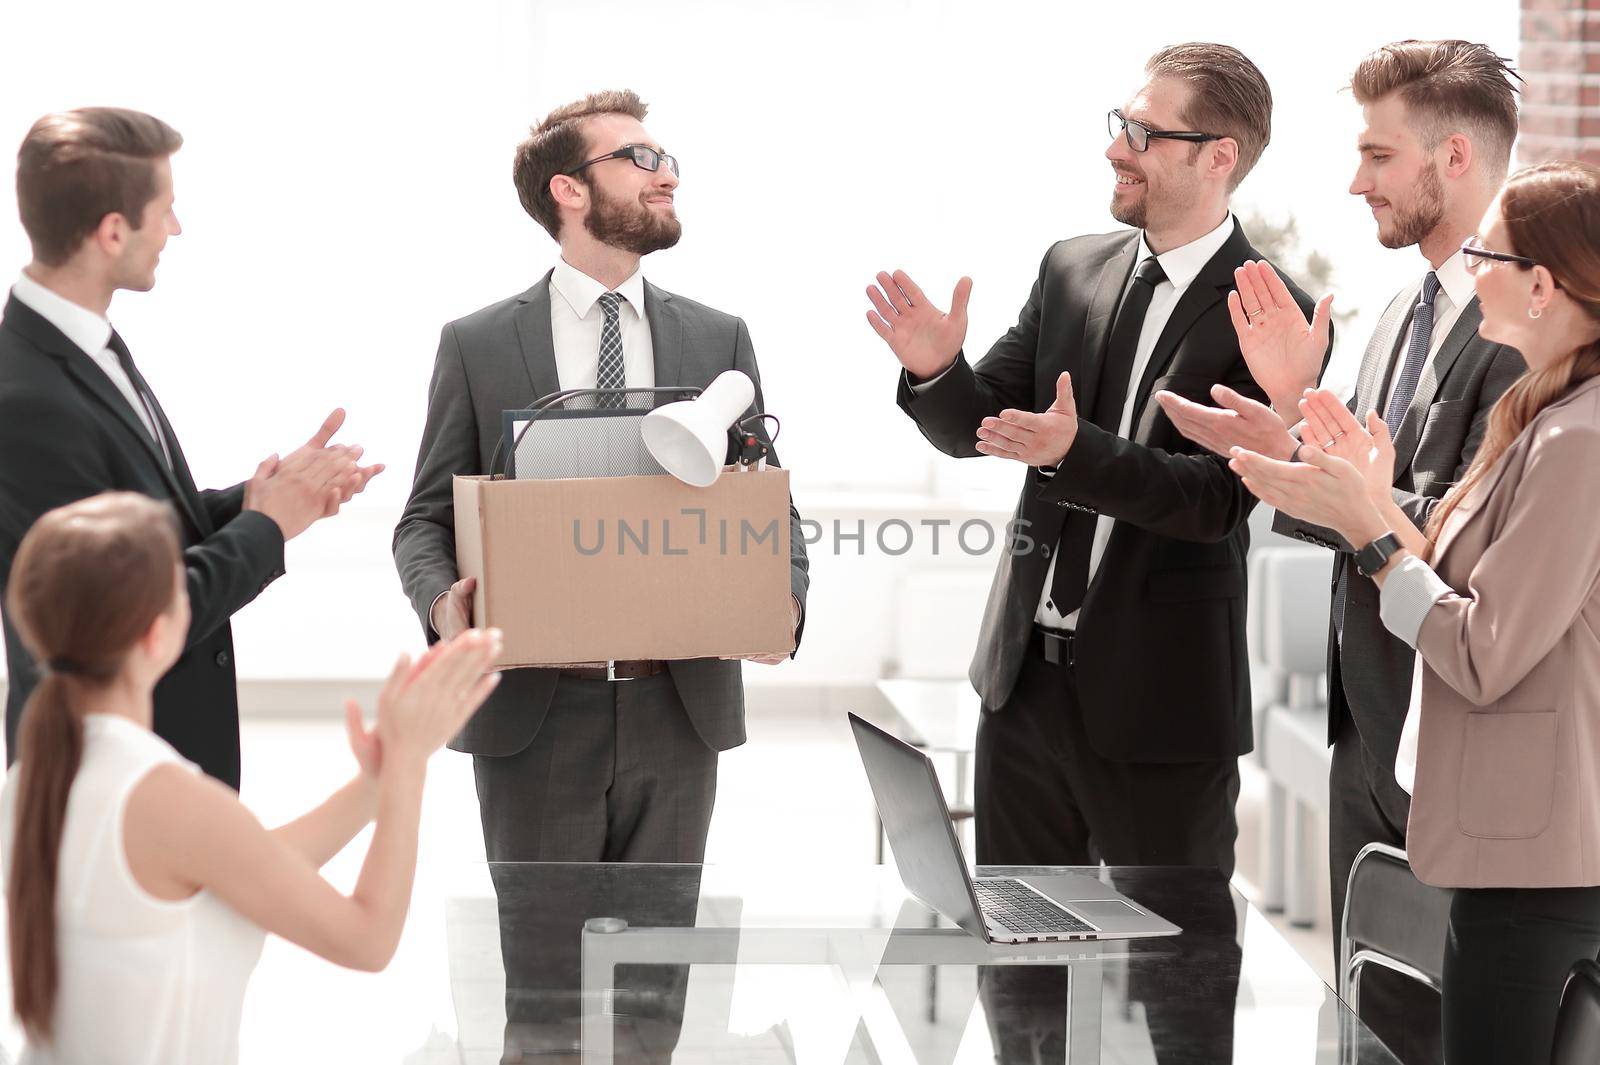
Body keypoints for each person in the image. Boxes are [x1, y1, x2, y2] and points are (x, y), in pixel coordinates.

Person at [392, 89, 810, 1058]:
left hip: (679, 711)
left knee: (651, 1003)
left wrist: (784, 595)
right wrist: (441, 603)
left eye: (668, 158)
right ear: (569, 191)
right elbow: (424, 517)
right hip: (538, 716)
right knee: (542, 1005)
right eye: (640, 156)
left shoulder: (720, 338)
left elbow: (767, 501)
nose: (667, 173)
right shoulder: (480, 342)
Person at [1155, 41, 1524, 1063]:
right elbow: (1356, 500)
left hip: (1455, 731)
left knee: (1450, 1028)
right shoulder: (1394, 317)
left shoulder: (1527, 329)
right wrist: (1286, 425)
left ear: (1453, 158)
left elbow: (1465, 528)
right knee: (1366, 1015)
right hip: (1366, 727)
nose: (1353, 180)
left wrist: (1300, 460)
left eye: (1376, 154)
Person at [868, 42, 1314, 880]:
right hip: (1022, 687)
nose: (1116, 149)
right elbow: (984, 425)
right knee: (1023, 963)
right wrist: (936, 371)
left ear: (1220, 156)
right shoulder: (1071, 268)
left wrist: (1077, 452)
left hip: (1164, 704)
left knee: (1177, 984)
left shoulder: (1269, 309)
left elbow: (1214, 501)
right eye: (1122, 126)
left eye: (1143, 133)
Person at [1227, 158, 1600, 1065]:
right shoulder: (1544, 415)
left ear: (1542, 285)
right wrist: (1364, 494)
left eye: (1487, 255)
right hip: (1506, 853)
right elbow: (1463, 563)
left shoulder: (1580, 438)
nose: (1471, 273)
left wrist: (1373, 531)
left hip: (1536, 868)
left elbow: (1482, 649)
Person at [0, 491, 502, 1063]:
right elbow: (367, 939)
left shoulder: (36, 778)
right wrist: (407, 769)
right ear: (156, 634)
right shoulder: (158, 794)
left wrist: (380, 780)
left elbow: (247, 861)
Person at [0, 107, 382, 789]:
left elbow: (142, 532)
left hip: (153, 766)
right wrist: (269, 527)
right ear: (113, 232)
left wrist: (261, 496)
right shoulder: (24, 400)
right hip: (104, 781)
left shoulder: (87, 347)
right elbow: (128, 617)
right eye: (166, 210)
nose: (176, 230)